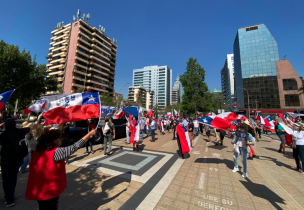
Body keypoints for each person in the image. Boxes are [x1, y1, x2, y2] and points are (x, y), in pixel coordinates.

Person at [25, 129, 97, 209]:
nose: (61, 139)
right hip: (49, 192)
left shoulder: (36, 151)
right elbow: (74, 147)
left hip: (39, 190)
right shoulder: (55, 152)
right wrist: (89, 134)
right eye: (60, 137)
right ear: (54, 140)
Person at [0, 119, 29, 207]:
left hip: (6, 162)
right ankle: (11, 195)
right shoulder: (21, 131)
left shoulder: (3, 136)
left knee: (6, 180)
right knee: (13, 178)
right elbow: (31, 127)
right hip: (18, 160)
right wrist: (39, 118)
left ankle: (9, 200)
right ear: (15, 125)